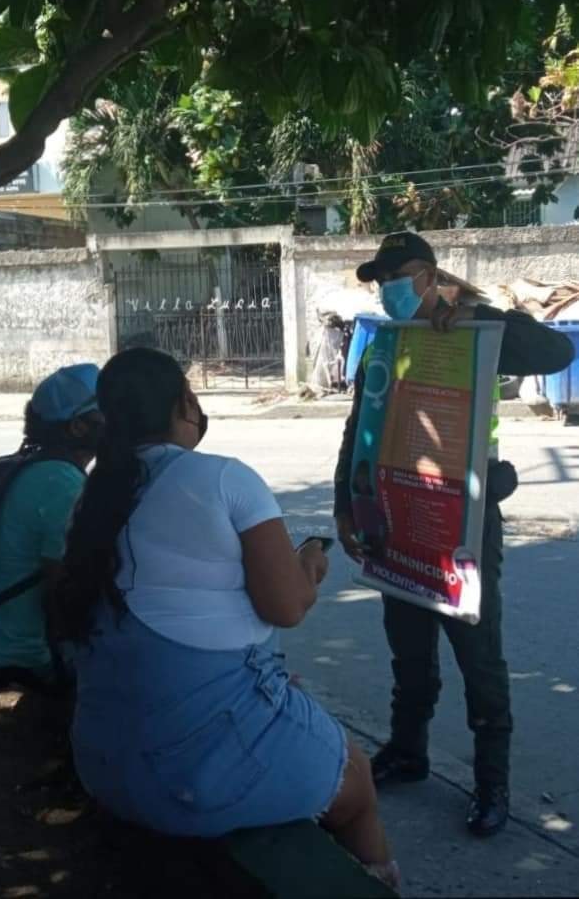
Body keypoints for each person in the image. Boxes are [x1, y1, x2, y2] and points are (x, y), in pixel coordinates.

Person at [53, 347, 399, 891]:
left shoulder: (92, 494)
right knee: (355, 785)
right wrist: (307, 565)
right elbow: (286, 609)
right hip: (190, 778)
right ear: (183, 403)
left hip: (101, 760)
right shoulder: (224, 479)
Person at [335, 231, 575, 837]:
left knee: (479, 657)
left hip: (463, 521)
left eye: (395, 278)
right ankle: (408, 751)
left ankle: (492, 784)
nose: (385, 290)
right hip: (395, 517)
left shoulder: (476, 334)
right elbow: (357, 427)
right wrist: (346, 507)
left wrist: (479, 314)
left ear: (427, 277)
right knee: (408, 650)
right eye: (379, 281)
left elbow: (555, 352)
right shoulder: (385, 344)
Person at [0, 363, 102, 695]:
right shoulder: (62, 483)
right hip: (27, 653)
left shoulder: (34, 466)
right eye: (108, 412)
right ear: (78, 426)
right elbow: (61, 589)